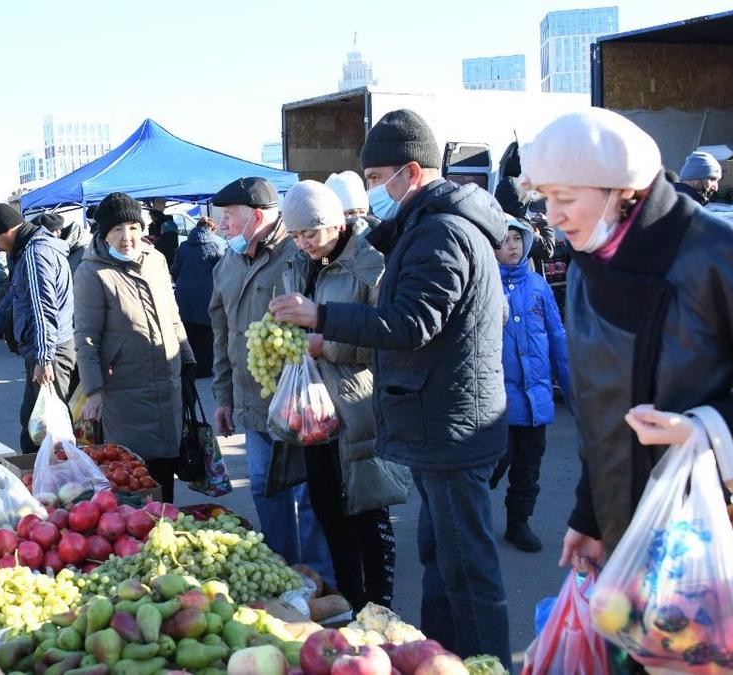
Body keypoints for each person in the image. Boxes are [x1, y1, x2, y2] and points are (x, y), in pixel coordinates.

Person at [269, 109, 511, 666]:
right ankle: (441, 657)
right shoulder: (424, 227)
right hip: (439, 424)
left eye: (377, 180)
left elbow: (408, 324)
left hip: (452, 426)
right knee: (441, 560)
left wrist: (321, 315)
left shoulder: (443, 232)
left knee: (466, 571)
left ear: (412, 172)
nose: (372, 192)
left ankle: (484, 661)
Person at [518, 109, 733, 599]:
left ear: (623, 191)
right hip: (629, 539)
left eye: (564, 198)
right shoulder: (584, 270)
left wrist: (707, 425)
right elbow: (599, 415)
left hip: (722, 538)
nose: (551, 216)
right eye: (546, 197)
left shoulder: (724, 255)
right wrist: (590, 517)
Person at [279, 181, 408, 612]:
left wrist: (327, 344)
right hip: (313, 411)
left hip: (359, 407)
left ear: (336, 222)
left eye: (310, 234)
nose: (303, 244)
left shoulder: (372, 266)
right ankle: (352, 603)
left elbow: (390, 336)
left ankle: (383, 607)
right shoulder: (297, 265)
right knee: (328, 509)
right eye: (296, 235)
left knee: (368, 512)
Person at [209, 176, 336, 585]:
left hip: (299, 399)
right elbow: (222, 333)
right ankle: (282, 573)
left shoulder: (297, 253)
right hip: (251, 400)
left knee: (310, 493)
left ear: (257, 216)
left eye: (229, 215)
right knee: (266, 488)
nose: (222, 223)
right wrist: (223, 396)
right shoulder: (226, 263)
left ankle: (321, 580)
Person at [74, 193, 195, 502]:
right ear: (104, 234)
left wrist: (187, 357)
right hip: (125, 389)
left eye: (132, 227)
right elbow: (87, 336)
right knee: (134, 475)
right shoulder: (92, 272)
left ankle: (165, 533)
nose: (126, 237)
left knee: (166, 471)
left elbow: (172, 313)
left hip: (167, 382)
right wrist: (94, 390)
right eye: (116, 230)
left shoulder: (156, 260)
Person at [489, 218, 570, 553]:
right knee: (493, 467)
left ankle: (518, 523)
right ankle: (469, 521)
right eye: (504, 240)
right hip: (499, 404)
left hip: (536, 399)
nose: (512, 246)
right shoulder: (486, 283)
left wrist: (571, 390)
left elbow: (557, 338)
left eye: (517, 239)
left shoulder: (538, 285)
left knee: (528, 469)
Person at [0, 203, 76, 453]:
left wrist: (43, 357)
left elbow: (44, 309)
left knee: (48, 429)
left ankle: (52, 483)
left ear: (7, 230)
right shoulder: (28, 250)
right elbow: (12, 299)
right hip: (45, 349)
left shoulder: (35, 254)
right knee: (35, 423)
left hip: (51, 351)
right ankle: (41, 479)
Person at [170, 216, 224, 378]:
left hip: (183, 295)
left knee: (187, 332)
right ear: (212, 230)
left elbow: (174, 271)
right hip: (207, 296)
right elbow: (222, 272)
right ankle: (204, 369)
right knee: (207, 334)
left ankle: (189, 366)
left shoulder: (184, 246)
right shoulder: (217, 245)